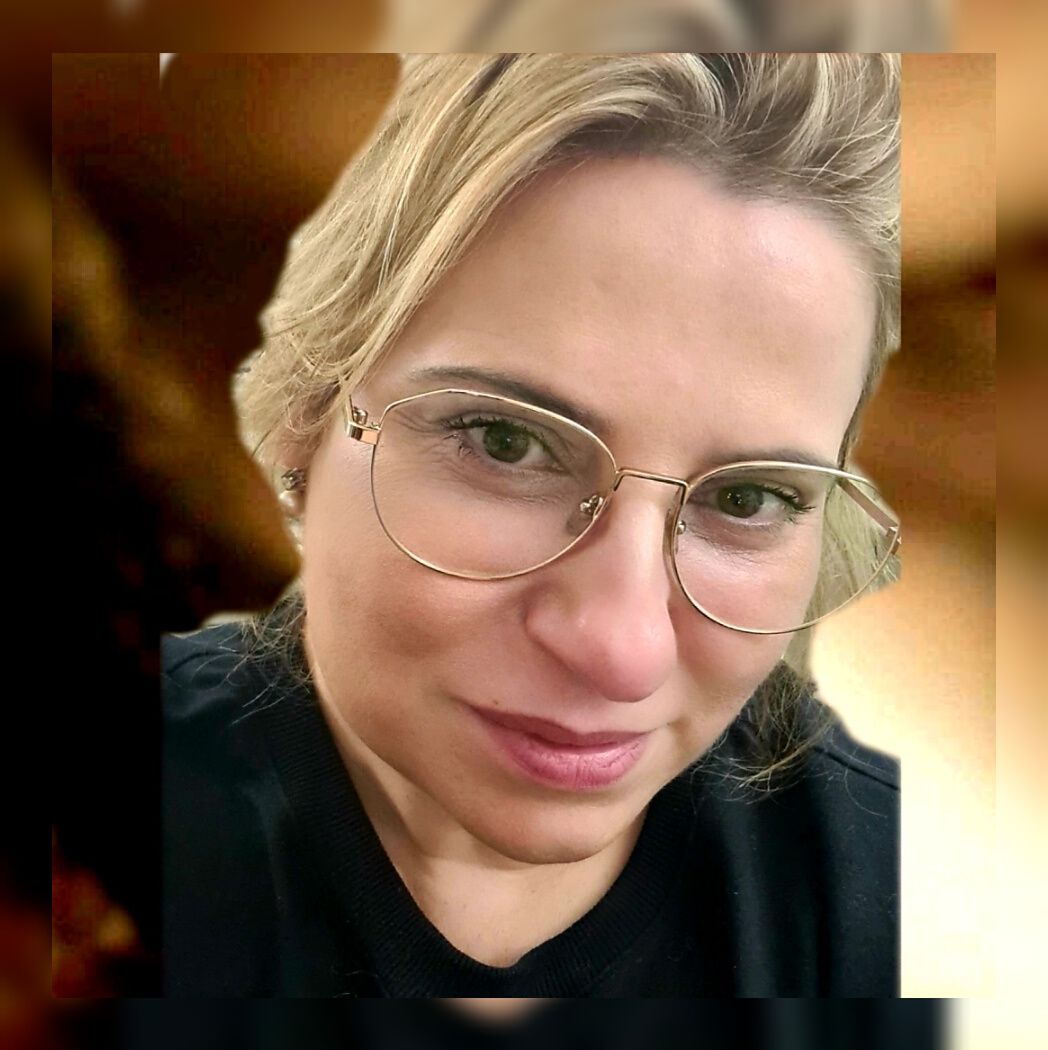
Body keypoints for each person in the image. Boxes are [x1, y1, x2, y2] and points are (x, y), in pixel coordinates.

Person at [162, 53, 902, 996]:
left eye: (748, 499)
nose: (622, 653)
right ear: (306, 417)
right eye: (506, 444)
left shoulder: (900, 900)